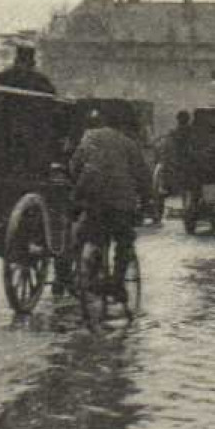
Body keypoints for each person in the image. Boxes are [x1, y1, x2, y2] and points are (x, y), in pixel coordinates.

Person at [69, 110, 151, 302]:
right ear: (123, 126)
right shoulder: (129, 144)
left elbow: (75, 165)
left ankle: (90, 271)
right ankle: (117, 282)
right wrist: (147, 201)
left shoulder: (89, 137)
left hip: (94, 199)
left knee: (90, 235)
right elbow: (142, 176)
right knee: (124, 241)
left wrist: (78, 189)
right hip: (122, 202)